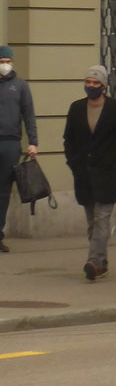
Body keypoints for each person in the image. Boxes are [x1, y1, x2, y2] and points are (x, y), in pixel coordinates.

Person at [63, 65, 116, 280]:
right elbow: (68, 139)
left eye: (95, 83)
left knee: (102, 219)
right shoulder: (77, 108)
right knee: (92, 221)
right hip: (83, 175)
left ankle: (94, 260)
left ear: (103, 86)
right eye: (88, 82)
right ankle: (101, 262)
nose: (90, 86)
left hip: (106, 173)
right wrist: (73, 162)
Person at [0, 45, 38, 253]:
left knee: (4, 191)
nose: (5, 65)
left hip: (11, 143)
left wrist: (33, 142)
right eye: (1, 62)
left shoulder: (20, 86)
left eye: (7, 61)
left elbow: (29, 115)